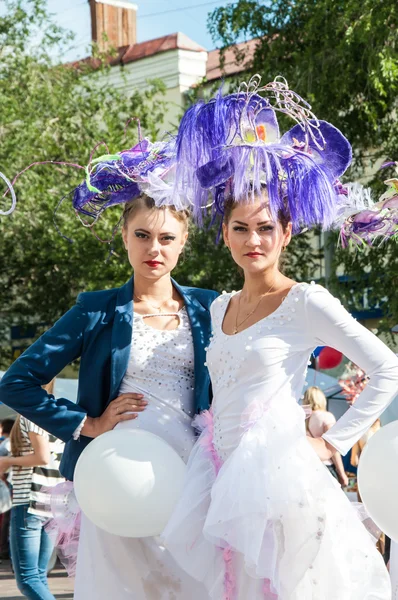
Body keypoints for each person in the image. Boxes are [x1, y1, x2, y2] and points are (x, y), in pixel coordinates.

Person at [162, 77, 398, 599]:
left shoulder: (305, 301)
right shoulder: (220, 305)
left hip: (281, 484)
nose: (254, 240)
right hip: (218, 478)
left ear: (287, 233)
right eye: (241, 228)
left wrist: (329, 441)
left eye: (266, 227)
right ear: (224, 234)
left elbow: (388, 369)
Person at [0, 135, 218, 599]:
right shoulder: (95, 310)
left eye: (166, 238)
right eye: (142, 235)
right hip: (117, 479)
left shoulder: (210, 308)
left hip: (194, 478)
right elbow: (17, 383)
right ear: (124, 236)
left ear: (184, 244)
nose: (153, 248)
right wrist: (88, 424)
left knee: (194, 586)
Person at [0, 381, 63, 600]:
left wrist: (6, 461)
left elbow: (42, 457)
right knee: (38, 576)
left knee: (27, 579)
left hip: (30, 500)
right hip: (52, 501)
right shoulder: (56, 414)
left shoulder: (32, 415)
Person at [304, 386, 348, 487]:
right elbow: (332, 447)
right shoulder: (326, 417)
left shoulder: (302, 419)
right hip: (326, 467)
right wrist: (341, 473)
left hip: (308, 466)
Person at [0, 418, 15, 560]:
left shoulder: (6, 444)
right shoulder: (9, 444)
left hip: (8, 484)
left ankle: (4, 548)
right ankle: (5, 548)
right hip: (10, 485)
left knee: (7, 518)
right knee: (8, 518)